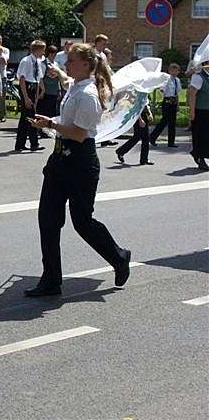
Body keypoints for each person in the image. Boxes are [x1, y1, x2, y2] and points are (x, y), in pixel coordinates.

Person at [24, 43, 131, 297]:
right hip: (60, 159)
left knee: (82, 222)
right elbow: (67, 81)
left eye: (71, 61)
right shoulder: (76, 86)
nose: (66, 64)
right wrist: (61, 76)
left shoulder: (88, 95)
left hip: (81, 161)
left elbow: (80, 134)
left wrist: (50, 123)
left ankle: (119, 257)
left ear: (85, 64)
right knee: (48, 219)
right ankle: (51, 280)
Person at [14, 40, 46, 151]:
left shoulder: (38, 61)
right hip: (26, 88)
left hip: (33, 87)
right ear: (37, 50)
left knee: (25, 119)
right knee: (31, 117)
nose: (43, 52)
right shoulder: (26, 61)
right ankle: (34, 143)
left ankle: (20, 144)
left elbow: (39, 77)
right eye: (42, 50)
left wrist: (41, 89)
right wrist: (26, 97)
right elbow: (22, 79)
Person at [150, 63, 182, 148]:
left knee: (172, 123)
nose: (174, 72)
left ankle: (171, 142)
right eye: (172, 70)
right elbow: (162, 90)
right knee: (164, 122)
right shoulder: (166, 79)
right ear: (169, 71)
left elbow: (177, 93)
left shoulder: (177, 80)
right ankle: (152, 137)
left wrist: (177, 104)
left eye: (176, 71)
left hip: (174, 102)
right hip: (167, 102)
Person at [115, 101, 154, 165]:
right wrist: (140, 120)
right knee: (141, 137)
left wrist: (150, 114)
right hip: (138, 116)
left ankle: (121, 151)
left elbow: (146, 104)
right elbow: (136, 107)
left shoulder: (145, 92)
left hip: (144, 114)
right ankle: (143, 159)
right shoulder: (138, 92)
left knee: (141, 138)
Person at [189, 60, 209, 171]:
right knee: (200, 136)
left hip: (208, 111)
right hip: (200, 111)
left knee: (207, 137)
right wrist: (192, 111)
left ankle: (197, 153)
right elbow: (192, 94)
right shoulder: (199, 77)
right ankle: (200, 158)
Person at [37, 45, 61, 135]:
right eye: (53, 53)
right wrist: (42, 90)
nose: (54, 55)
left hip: (54, 90)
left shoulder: (56, 64)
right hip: (46, 90)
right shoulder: (43, 63)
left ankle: (50, 129)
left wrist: (58, 90)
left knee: (52, 111)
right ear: (49, 53)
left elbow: (58, 78)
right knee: (44, 111)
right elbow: (41, 78)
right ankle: (42, 130)